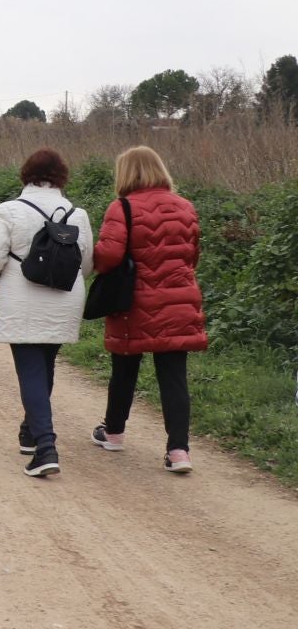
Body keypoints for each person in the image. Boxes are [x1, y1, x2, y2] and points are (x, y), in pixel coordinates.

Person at [0, 148, 93, 478]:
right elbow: (86, 265)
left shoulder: (9, 210)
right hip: (66, 298)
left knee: (30, 369)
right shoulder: (78, 214)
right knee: (44, 364)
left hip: (23, 300)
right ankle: (30, 431)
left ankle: (45, 447)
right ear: (61, 176)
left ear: (26, 174)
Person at [90, 146, 206, 474]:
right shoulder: (185, 206)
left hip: (134, 304)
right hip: (178, 301)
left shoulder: (122, 207)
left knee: (124, 370)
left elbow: (109, 257)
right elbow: (192, 255)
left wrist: (94, 259)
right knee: (173, 378)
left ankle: (113, 432)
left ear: (126, 173)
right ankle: (179, 451)